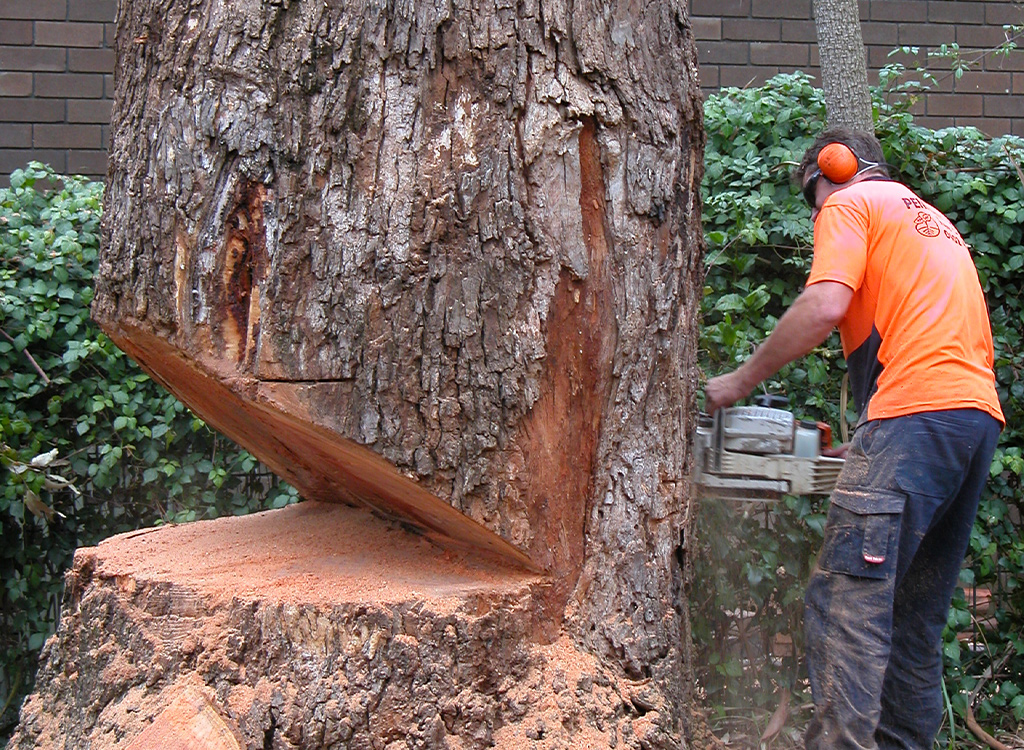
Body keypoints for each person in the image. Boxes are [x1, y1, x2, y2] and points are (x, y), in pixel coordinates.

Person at [705, 126, 1005, 750]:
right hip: (969, 423)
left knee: (847, 605)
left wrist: (739, 381)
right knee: (911, 622)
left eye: (813, 199)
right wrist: (869, 445)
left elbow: (824, 306)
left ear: (834, 169)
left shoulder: (849, 202)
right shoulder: (929, 219)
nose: (817, 215)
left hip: (915, 416)